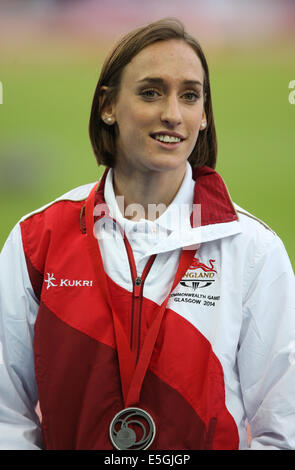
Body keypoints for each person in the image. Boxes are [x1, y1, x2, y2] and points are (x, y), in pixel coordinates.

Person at [0, 18, 294, 451]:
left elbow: (282, 425)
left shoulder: (252, 249)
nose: (173, 114)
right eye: (151, 92)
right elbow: (7, 417)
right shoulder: (36, 240)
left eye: (190, 96)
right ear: (108, 106)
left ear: (204, 116)